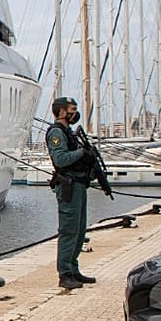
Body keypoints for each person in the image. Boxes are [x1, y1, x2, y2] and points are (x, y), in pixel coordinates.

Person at [45, 97, 108, 290]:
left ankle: (73, 269)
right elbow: (61, 159)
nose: (75, 113)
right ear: (62, 112)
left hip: (79, 185)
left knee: (80, 230)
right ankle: (64, 274)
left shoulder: (69, 132)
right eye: (72, 109)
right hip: (68, 186)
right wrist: (82, 153)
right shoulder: (57, 132)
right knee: (69, 230)